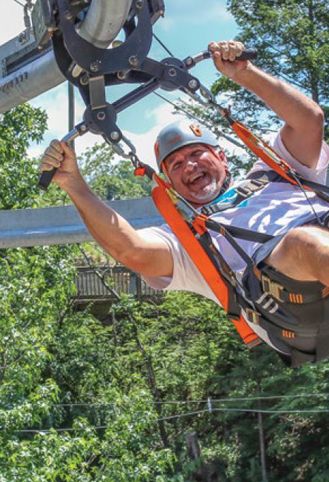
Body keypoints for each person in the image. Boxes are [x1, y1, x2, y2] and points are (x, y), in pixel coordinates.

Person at [39, 40, 329, 361]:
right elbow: (131, 249)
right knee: (306, 243)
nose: (189, 166)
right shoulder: (187, 239)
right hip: (289, 309)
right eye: (176, 165)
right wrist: (73, 184)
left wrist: (246, 75)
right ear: (171, 185)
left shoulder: (276, 170)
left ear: (221, 157)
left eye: (196, 153)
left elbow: (309, 121)